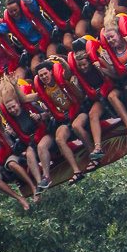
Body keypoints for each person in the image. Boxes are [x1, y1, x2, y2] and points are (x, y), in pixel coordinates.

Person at [23, 58, 96, 186]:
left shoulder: (61, 78)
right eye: (41, 76)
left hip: (79, 110)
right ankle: (76, 171)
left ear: (51, 72)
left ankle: (94, 155)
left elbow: (68, 71)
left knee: (77, 126)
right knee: (59, 139)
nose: (44, 77)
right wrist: (13, 86)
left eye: (45, 73)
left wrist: (62, 62)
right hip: (65, 118)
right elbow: (24, 98)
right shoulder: (44, 90)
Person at [71, 42, 127, 156]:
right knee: (92, 114)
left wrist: (101, 69)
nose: (82, 67)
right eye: (80, 66)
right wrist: (74, 85)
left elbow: (116, 75)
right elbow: (82, 95)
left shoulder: (98, 62)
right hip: (100, 96)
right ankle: (98, 147)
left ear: (89, 62)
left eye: (84, 64)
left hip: (115, 87)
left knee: (112, 97)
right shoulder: (80, 74)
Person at [0, 0, 56, 76]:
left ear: (20, 8)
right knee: (34, 68)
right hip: (35, 49)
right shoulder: (13, 24)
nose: (14, 13)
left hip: (49, 41)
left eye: (15, 10)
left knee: (51, 59)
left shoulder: (30, 12)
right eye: (11, 12)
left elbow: (33, 5)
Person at [0, 74, 45, 190]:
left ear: (19, 103)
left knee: (40, 146)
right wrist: (12, 133)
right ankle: (40, 182)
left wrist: (39, 116)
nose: (13, 110)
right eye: (9, 109)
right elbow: (18, 137)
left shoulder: (31, 106)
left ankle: (46, 174)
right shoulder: (12, 119)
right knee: (29, 154)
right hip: (31, 142)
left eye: (14, 107)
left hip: (44, 134)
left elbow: (48, 115)